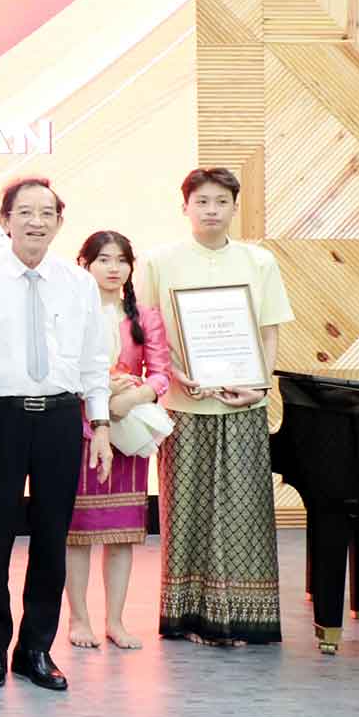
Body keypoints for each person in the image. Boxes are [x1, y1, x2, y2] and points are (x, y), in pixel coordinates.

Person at [0, 177, 113, 691]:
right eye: (24, 212)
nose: (36, 222)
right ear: (5, 221)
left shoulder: (79, 283)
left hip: (60, 420)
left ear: (60, 222)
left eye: (46, 213)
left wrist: (101, 423)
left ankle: (36, 648)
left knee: (51, 536)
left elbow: (93, 360)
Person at [145, 167, 292, 647]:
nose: (211, 210)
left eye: (221, 201)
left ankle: (244, 619)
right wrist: (172, 372)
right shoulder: (160, 262)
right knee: (185, 515)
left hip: (242, 406)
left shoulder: (259, 261)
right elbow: (147, 332)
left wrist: (260, 387)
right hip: (182, 407)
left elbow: (269, 331)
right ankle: (187, 618)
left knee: (245, 516)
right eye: (202, 201)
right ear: (184, 206)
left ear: (234, 207)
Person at [66, 230, 168, 650]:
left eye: (121, 260)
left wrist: (134, 398)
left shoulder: (145, 317)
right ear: (85, 265)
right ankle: (79, 619)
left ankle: (116, 621)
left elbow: (161, 374)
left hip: (127, 434)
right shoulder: (70, 312)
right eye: (103, 260)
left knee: (123, 534)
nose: (113, 268)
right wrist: (104, 395)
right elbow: (62, 370)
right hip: (79, 430)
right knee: (78, 533)